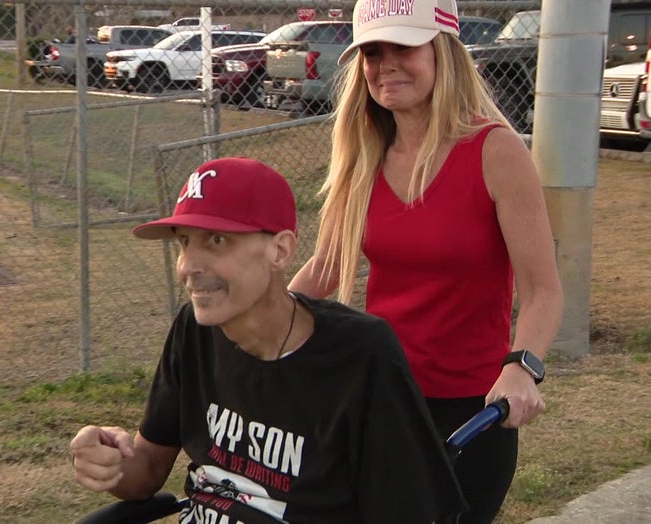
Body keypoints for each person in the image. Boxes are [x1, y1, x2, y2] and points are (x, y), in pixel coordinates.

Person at [71, 157, 467, 523]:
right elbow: (147, 471)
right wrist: (111, 462)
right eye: (184, 242)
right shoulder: (194, 331)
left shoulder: (359, 356)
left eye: (216, 241)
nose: (189, 266)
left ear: (280, 250)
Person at [288, 1, 564, 522]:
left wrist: (522, 368)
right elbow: (326, 268)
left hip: (470, 413)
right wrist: (261, 328)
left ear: (443, 53)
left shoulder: (495, 151)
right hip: (379, 397)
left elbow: (544, 289)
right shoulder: (364, 153)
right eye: (373, 51)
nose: (386, 63)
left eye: (404, 47)